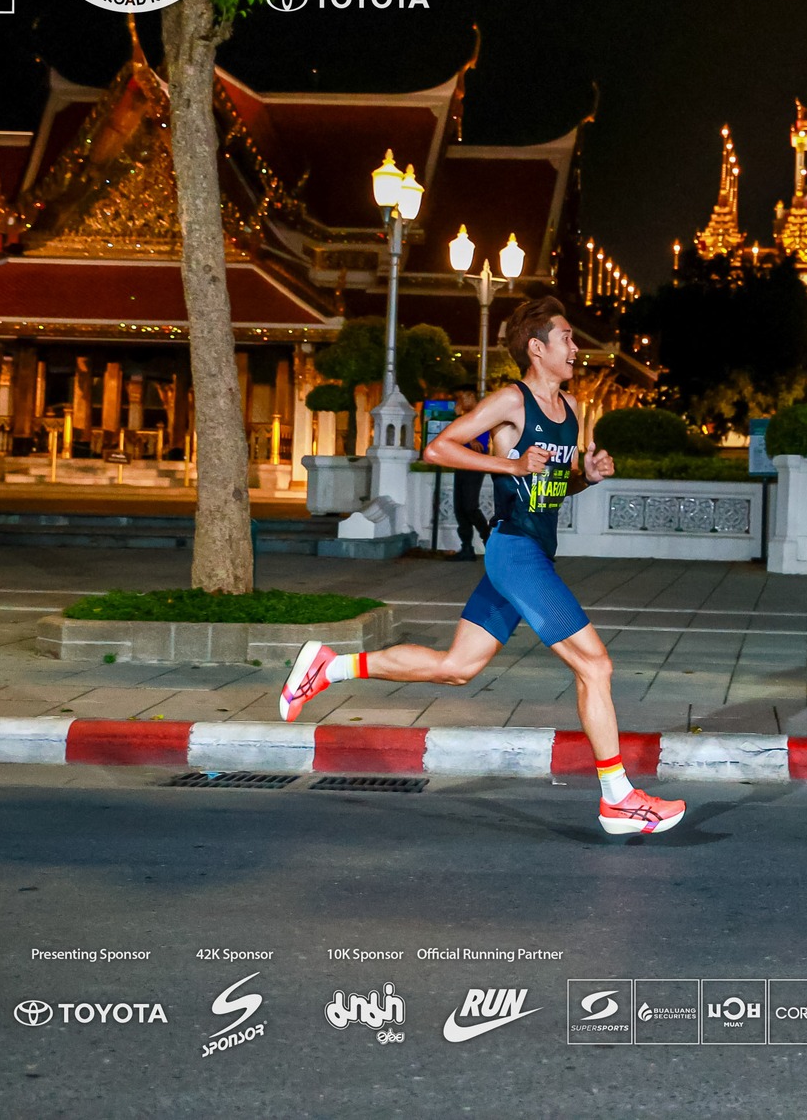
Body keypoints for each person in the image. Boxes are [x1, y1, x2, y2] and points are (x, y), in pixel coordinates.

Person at [280, 296, 686, 836]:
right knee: (595, 665)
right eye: (566, 337)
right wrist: (508, 463)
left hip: (529, 552)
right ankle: (618, 799)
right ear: (537, 348)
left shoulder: (569, 409)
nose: (575, 346)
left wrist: (586, 477)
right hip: (515, 552)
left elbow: (548, 488)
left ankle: (329, 667)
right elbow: (438, 448)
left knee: (457, 667)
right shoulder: (513, 401)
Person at [448, 390, 492, 561]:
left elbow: (477, 445)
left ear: (472, 397)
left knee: (470, 506)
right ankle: (466, 546)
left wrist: (469, 439)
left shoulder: (481, 415)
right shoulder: (464, 418)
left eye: (463, 397)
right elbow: (452, 437)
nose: (460, 400)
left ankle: (488, 538)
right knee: (459, 508)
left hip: (474, 464)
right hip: (461, 463)